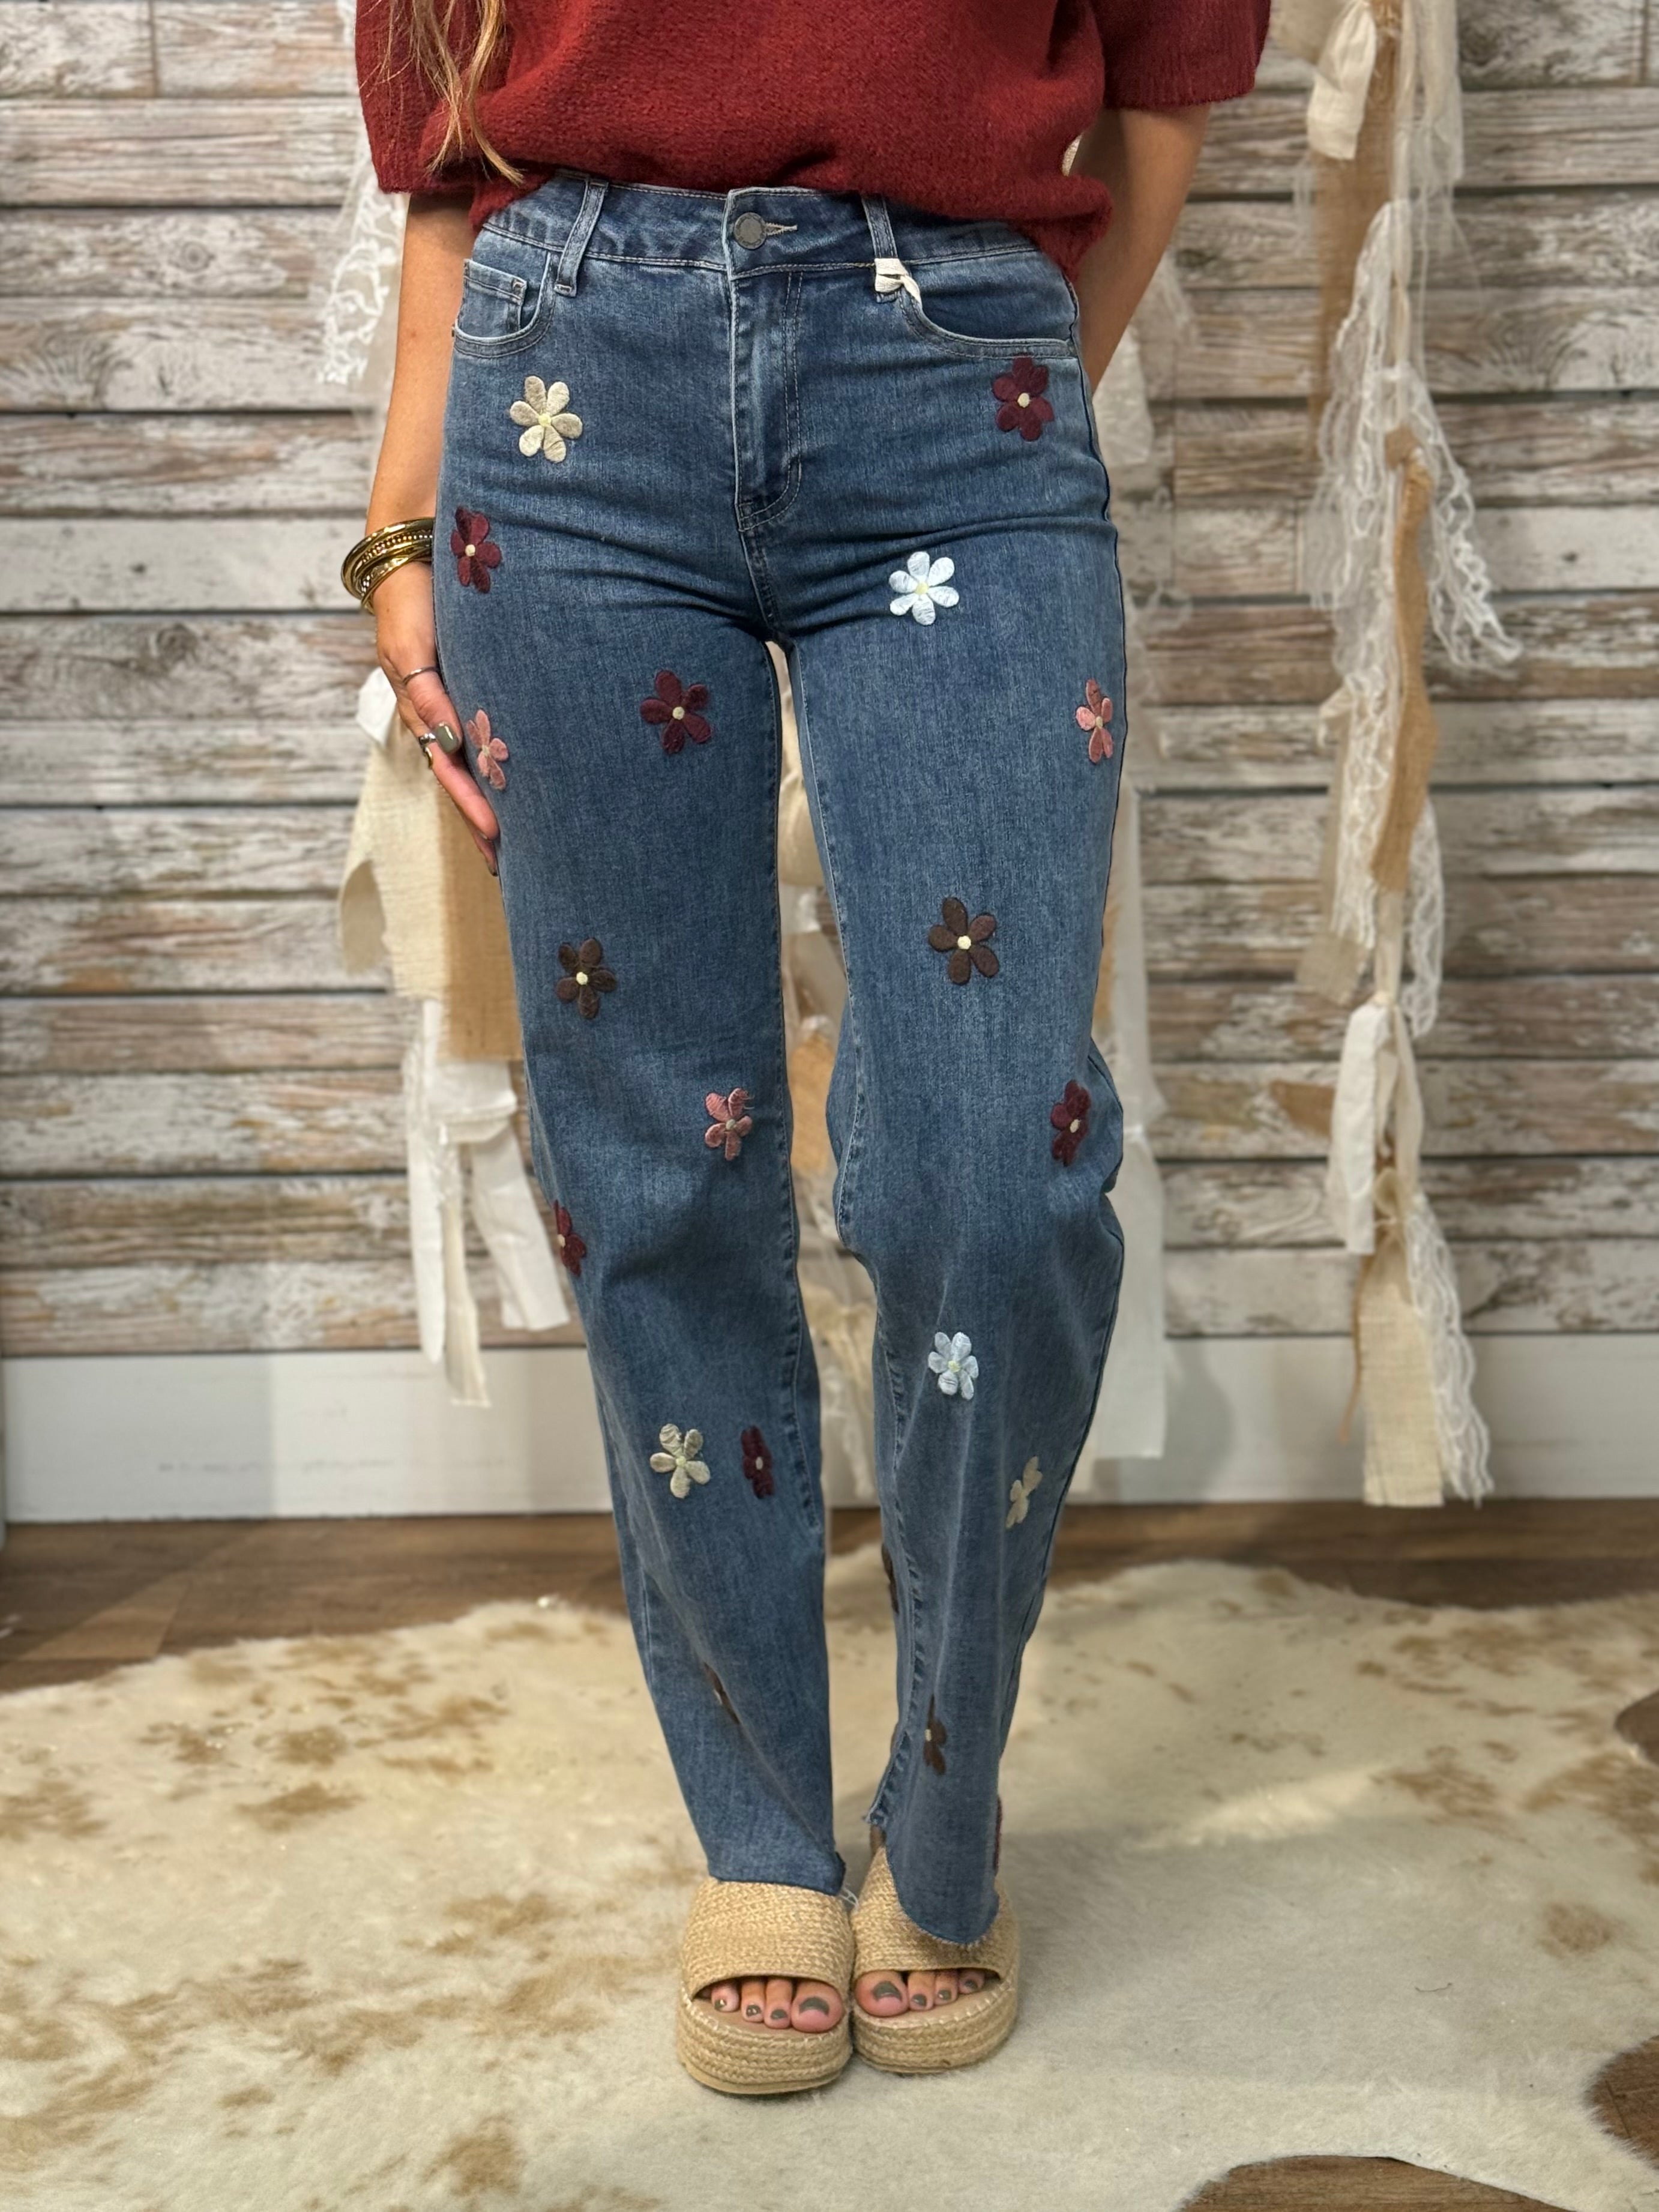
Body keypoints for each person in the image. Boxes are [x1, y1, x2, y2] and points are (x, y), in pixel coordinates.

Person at [346, 0, 1271, 2095]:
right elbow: (454, 160)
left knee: (988, 1175)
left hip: (956, 379)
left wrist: (991, 397)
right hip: (562, 397)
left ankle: (940, 1821)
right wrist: (396, 526)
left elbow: (1159, 96)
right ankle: (761, 1833)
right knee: (652, 1171)